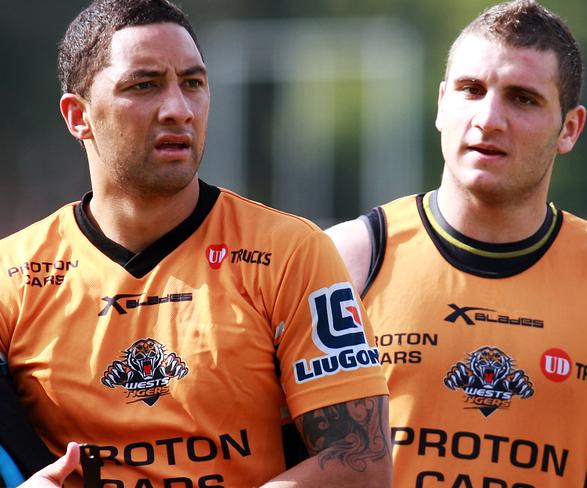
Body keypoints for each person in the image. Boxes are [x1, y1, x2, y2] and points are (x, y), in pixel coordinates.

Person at [1, 0, 392, 486]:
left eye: (193, 83)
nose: (178, 109)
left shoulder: (292, 253)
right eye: (144, 85)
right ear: (77, 116)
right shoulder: (11, 276)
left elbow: (363, 461)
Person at [326, 0, 587, 486]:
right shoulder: (346, 259)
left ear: (570, 128)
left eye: (522, 98)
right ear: (441, 105)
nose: (489, 118)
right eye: (471, 90)